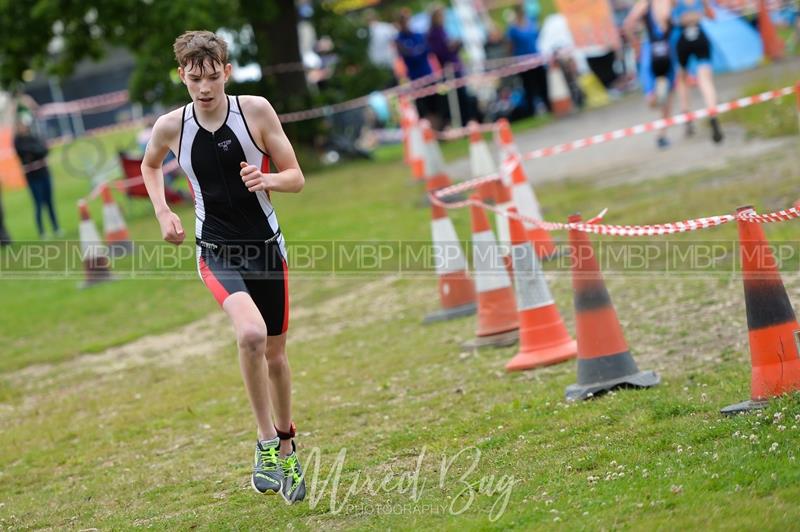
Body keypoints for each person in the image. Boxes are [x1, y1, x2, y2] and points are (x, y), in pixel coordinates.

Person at [141, 31, 307, 503]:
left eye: (213, 77)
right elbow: (149, 167)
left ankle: (287, 442)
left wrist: (266, 177)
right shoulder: (171, 126)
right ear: (182, 77)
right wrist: (162, 211)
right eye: (195, 79)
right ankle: (264, 444)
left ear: (227, 72)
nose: (205, 88)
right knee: (250, 334)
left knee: (275, 355)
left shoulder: (254, 111)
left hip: (267, 249)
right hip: (215, 249)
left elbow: (296, 178)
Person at [624, 0, 676, 149]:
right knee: (666, 97)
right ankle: (662, 134)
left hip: (650, 52)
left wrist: (635, 45)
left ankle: (662, 134)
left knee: (655, 99)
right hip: (666, 51)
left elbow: (628, 25)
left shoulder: (644, 4)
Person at [672, 0, 723, 143]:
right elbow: (712, 16)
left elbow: (667, 19)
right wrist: (697, 15)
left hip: (682, 38)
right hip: (699, 35)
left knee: (682, 79)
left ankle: (686, 116)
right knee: (705, 79)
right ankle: (713, 114)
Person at [13, 113, 62, 238]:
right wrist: (36, 151)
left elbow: (43, 150)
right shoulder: (18, 141)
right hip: (32, 177)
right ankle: (42, 231)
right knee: (38, 203)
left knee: (50, 202)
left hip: (44, 173)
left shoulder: (35, 137)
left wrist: (35, 151)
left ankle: (56, 228)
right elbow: (26, 152)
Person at [427, 5, 477, 125]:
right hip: (448, 69)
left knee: (463, 96)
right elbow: (440, 51)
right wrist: (452, 46)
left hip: (455, 66)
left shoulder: (443, 30)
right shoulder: (434, 34)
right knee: (456, 98)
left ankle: (468, 121)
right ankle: (462, 122)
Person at [395, 8, 444, 127]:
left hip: (428, 74)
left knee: (435, 104)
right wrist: (418, 51)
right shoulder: (399, 39)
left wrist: (417, 51)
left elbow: (427, 50)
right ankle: (429, 132)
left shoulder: (418, 35)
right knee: (423, 107)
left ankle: (439, 130)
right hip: (415, 78)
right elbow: (410, 55)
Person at [507, 5, 551, 117]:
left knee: (543, 83)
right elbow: (510, 46)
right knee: (529, 86)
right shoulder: (513, 28)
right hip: (523, 61)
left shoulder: (531, 22)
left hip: (537, 58)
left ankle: (548, 105)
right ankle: (532, 111)